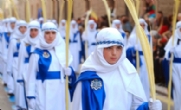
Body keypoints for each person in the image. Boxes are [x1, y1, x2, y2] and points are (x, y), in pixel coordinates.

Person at [72, 27, 162, 110]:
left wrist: (149, 107)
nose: (114, 53)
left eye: (118, 48)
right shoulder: (88, 77)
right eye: (109, 48)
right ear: (100, 49)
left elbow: (136, 105)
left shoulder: (129, 72)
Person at [26, 22, 73, 110]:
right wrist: (30, 95)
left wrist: (70, 71)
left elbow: (69, 71)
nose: (50, 36)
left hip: (60, 91)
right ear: (43, 34)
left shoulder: (63, 51)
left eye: (53, 33)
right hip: (42, 90)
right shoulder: (36, 54)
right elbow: (30, 77)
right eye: (47, 33)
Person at [16, 20, 41, 109]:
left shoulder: (42, 43)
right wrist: (19, 75)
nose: (33, 32)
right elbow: (21, 59)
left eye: (35, 30)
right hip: (26, 70)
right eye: (31, 30)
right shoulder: (24, 42)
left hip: (39, 71)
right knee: (29, 92)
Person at [127, 18, 151, 100]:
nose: (142, 27)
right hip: (137, 59)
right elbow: (128, 50)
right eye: (140, 25)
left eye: (144, 25)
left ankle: (146, 98)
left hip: (146, 60)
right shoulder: (133, 37)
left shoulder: (148, 37)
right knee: (138, 78)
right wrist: (134, 49)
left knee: (146, 79)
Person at [6, 20, 27, 109]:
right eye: (21, 27)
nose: (23, 29)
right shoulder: (13, 39)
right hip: (16, 63)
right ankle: (19, 104)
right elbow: (10, 54)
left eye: (24, 27)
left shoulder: (29, 39)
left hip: (26, 64)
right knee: (18, 84)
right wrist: (9, 68)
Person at [164, 21, 181, 110]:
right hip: (175, 67)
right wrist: (170, 52)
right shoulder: (173, 40)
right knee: (178, 89)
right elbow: (166, 56)